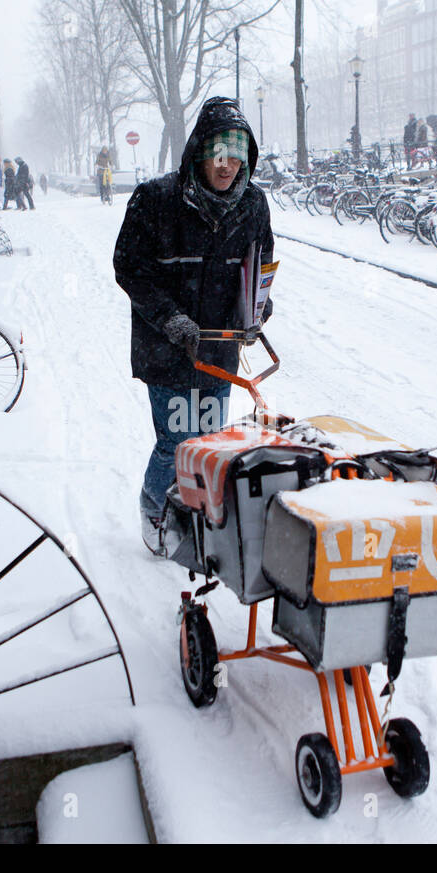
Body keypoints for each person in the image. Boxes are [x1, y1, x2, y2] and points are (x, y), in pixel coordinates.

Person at [113, 96, 275, 556]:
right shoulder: (156, 200)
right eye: (218, 154)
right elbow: (130, 268)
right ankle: (154, 508)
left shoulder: (253, 205)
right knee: (174, 441)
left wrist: (256, 313)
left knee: (206, 440)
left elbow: (259, 267)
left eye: (237, 155)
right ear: (201, 151)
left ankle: (195, 510)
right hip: (167, 349)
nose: (227, 166)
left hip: (219, 349)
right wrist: (171, 320)